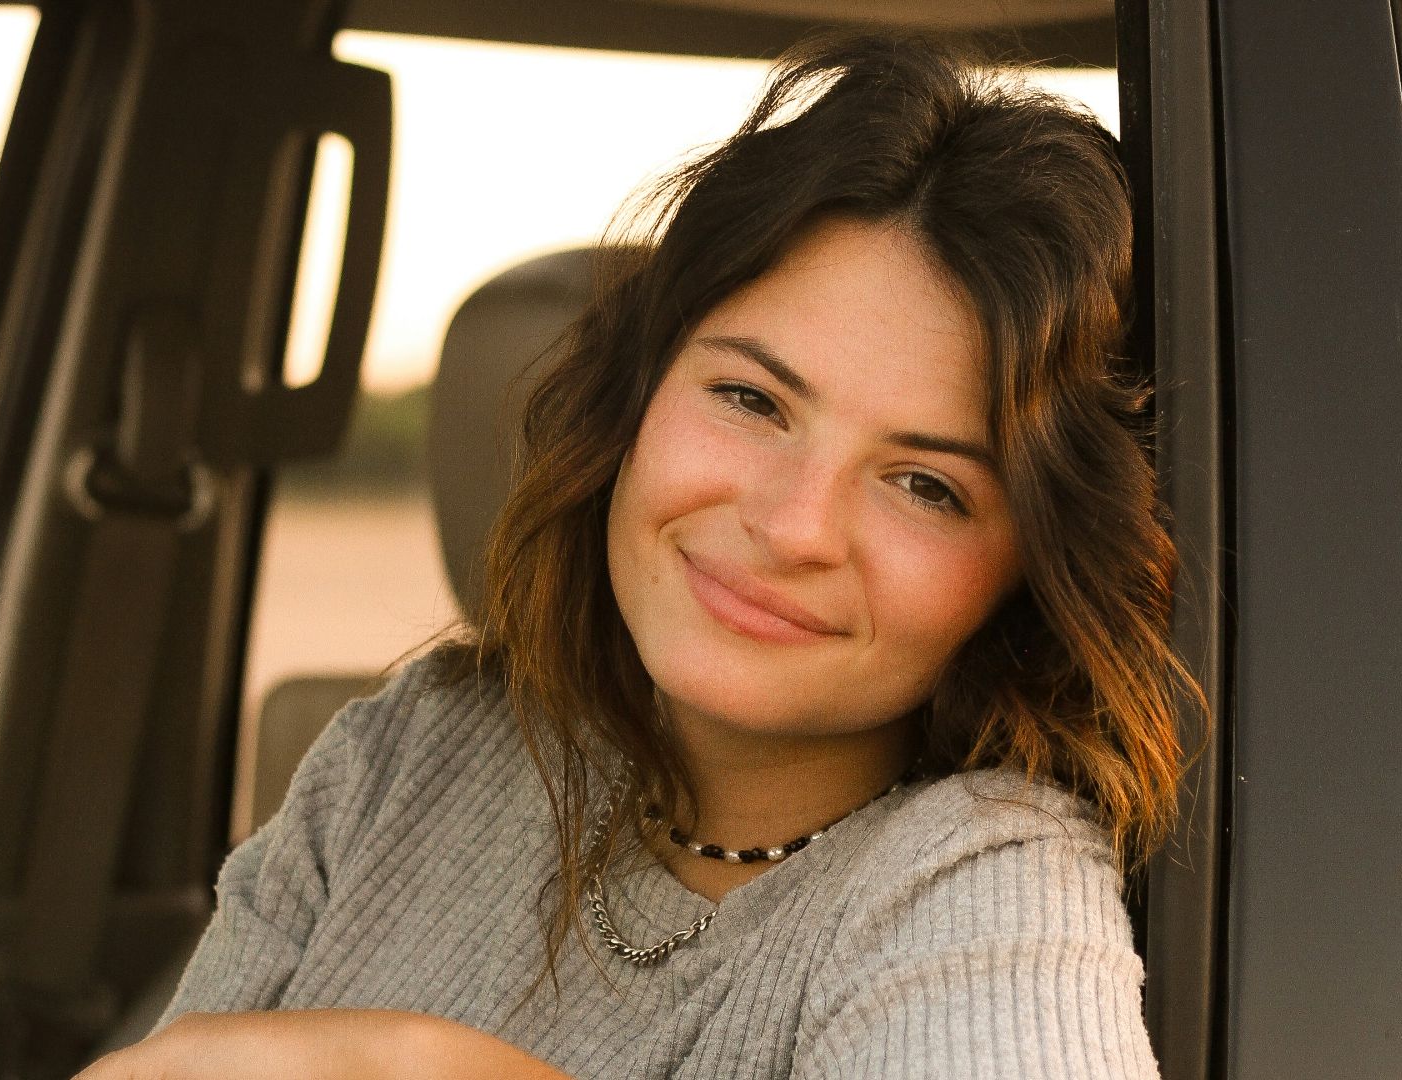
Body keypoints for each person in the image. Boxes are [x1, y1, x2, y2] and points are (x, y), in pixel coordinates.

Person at [79, 30, 1201, 1080]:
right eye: (751, 399)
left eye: (926, 486)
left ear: (1028, 568)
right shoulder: (412, 751)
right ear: (633, 400)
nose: (796, 526)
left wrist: (427, 1064)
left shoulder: (980, 882)